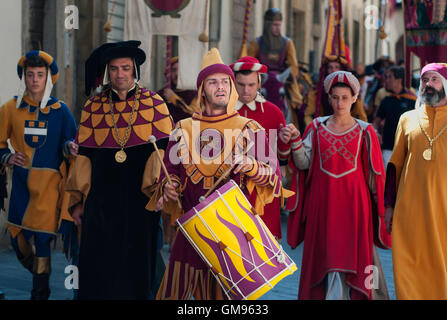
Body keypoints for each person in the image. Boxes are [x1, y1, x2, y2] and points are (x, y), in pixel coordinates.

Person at [148, 48, 292, 300]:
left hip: (232, 233)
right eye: (213, 82)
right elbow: (169, 172)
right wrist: (169, 186)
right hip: (190, 230)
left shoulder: (249, 128)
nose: (221, 87)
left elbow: (274, 177)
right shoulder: (182, 129)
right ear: (202, 89)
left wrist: (251, 166)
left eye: (225, 81)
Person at [65, 40, 173, 299]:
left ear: (134, 70)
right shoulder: (93, 106)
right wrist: (77, 201)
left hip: (141, 202)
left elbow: (167, 154)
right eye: (114, 69)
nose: (120, 74)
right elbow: (84, 158)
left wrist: (160, 192)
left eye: (125, 68)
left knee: (138, 269)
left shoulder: (154, 103)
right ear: (107, 72)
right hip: (100, 202)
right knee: (98, 268)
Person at [285, 71, 391, 300]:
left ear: (354, 98)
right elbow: (303, 163)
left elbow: (375, 178)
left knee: (356, 258)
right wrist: (294, 140)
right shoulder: (316, 127)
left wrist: (381, 212)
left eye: (344, 97)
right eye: (335, 97)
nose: (339, 103)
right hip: (322, 207)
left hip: (355, 208)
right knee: (325, 259)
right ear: (329, 97)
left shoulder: (365, 131)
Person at [0, 50, 78, 299]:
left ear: (48, 78)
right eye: (30, 74)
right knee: (17, 241)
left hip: (49, 186)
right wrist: (8, 157)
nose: (35, 79)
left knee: (43, 241)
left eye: (40, 75)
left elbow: (70, 141)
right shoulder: (10, 108)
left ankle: (40, 290)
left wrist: (70, 148)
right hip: (22, 185)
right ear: (24, 77)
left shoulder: (61, 111)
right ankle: (38, 274)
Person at [385, 62, 447, 299]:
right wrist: (389, 206)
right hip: (409, 213)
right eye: (424, 80)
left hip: (443, 213)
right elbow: (395, 166)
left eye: (434, 79)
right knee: (408, 274)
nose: (428, 85)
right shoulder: (407, 119)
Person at [230, 56, 289, 238]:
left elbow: (282, 159)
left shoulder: (274, 112)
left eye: (251, 85)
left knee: (266, 247)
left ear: (259, 84)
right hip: (232, 189)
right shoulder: (224, 111)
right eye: (241, 84)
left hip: (265, 193)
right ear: (233, 83)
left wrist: (287, 139)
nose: (246, 90)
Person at [248, 8, 304, 123]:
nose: (278, 28)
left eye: (279, 25)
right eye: (274, 25)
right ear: (268, 25)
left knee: (298, 106)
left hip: (281, 80)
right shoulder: (256, 43)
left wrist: (286, 76)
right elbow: (249, 63)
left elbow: (293, 65)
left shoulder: (287, 43)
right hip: (261, 80)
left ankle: (299, 129)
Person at [374, 66, 416, 167]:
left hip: (407, 148)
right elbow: (376, 120)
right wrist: (375, 132)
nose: (386, 80)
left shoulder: (412, 100)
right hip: (388, 147)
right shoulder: (386, 100)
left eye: (389, 77)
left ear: (398, 80)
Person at [158, 56, 197, 124]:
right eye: (173, 70)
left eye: (180, 70)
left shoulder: (195, 94)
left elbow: (194, 117)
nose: (176, 74)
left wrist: (173, 98)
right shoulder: (160, 94)